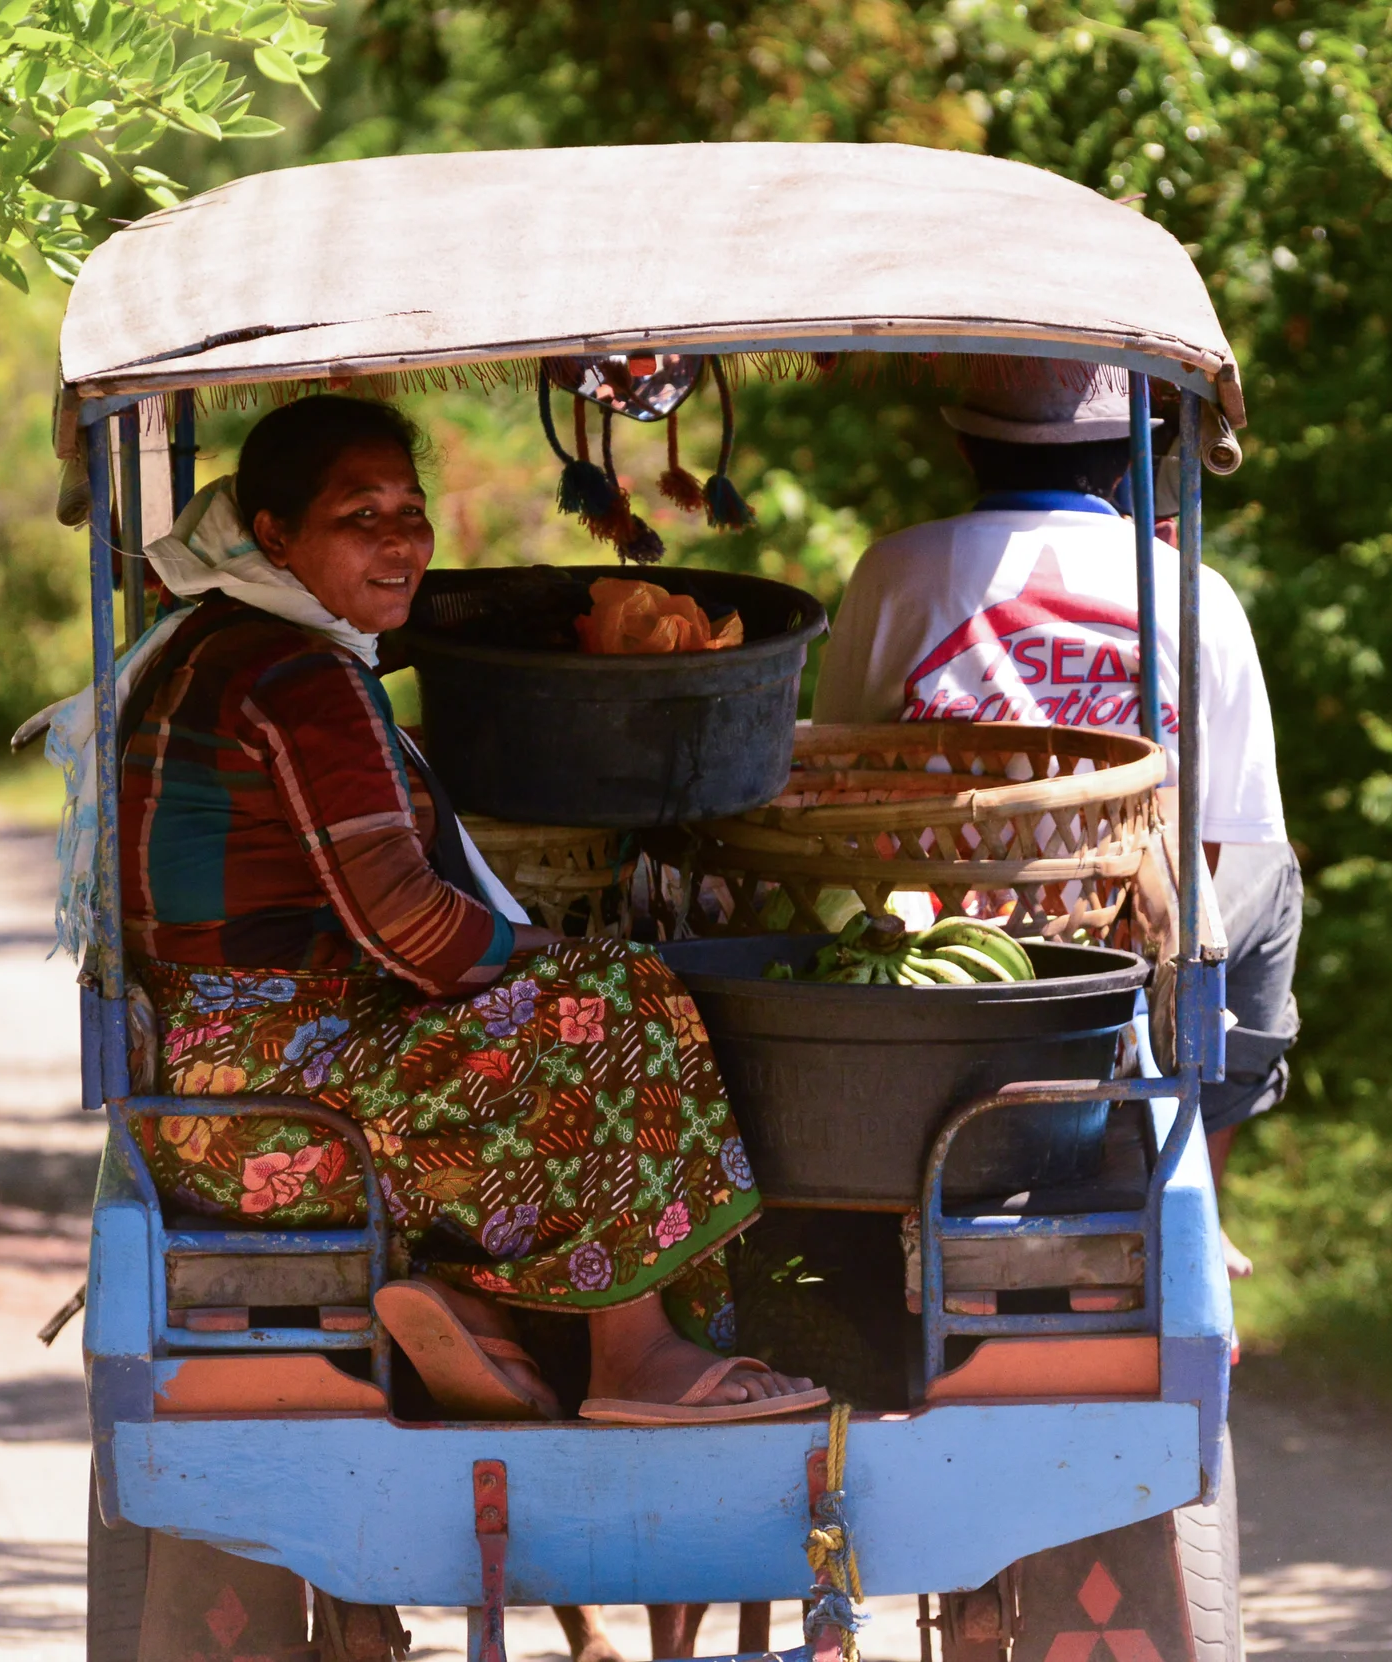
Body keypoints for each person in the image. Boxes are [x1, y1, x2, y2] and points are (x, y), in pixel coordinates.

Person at [83, 393, 819, 1425]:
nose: (399, 542)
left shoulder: (218, 643)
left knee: (567, 993)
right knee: (615, 995)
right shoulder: (296, 677)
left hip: (213, 1086)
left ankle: (477, 1304)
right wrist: (548, 955)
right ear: (274, 536)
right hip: (274, 1109)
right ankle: (636, 1355)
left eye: (408, 511)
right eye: (359, 516)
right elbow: (412, 932)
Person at [812, 360, 1300, 1268]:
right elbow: (1226, 837)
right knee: (1271, 877)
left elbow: (843, 776)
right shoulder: (1198, 594)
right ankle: (1197, 1177)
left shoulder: (896, 569)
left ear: (963, 443)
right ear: (1135, 453)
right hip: (1121, 941)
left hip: (937, 936)